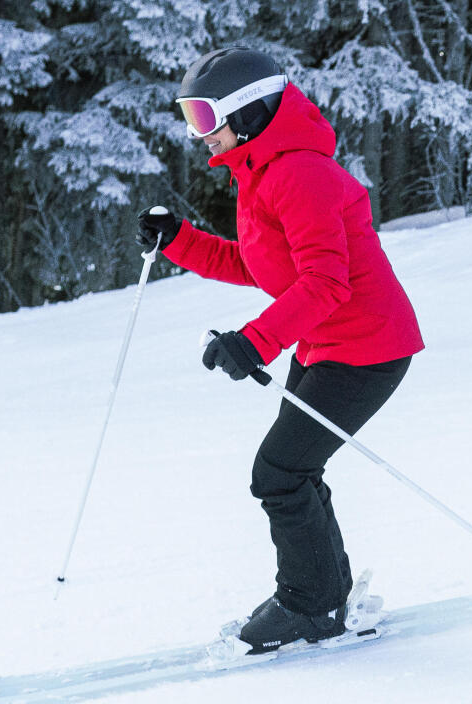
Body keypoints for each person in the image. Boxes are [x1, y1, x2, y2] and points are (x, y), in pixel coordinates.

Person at [140, 48, 425, 653]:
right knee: (292, 470)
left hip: (366, 348)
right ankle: (324, 595)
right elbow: (260, 265)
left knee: (280, 472)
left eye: (203, 116)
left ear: (248, 112)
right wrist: (180, 241)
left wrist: (256, 342)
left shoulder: (298, 173)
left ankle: (311, 605)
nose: (199, 133)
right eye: (190, 116)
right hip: (328, 344)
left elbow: (325, 281)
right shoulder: (262, 172)